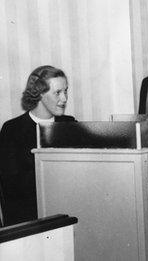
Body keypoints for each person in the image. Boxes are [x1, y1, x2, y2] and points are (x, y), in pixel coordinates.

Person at [0, 65, 75, 226]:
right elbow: (12, 186)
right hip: (30, 221)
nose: (64, 98)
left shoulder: (69, 124)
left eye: (66, 91)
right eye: (57, 93)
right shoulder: (12, 130)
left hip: (67, 213)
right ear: (39, 94)